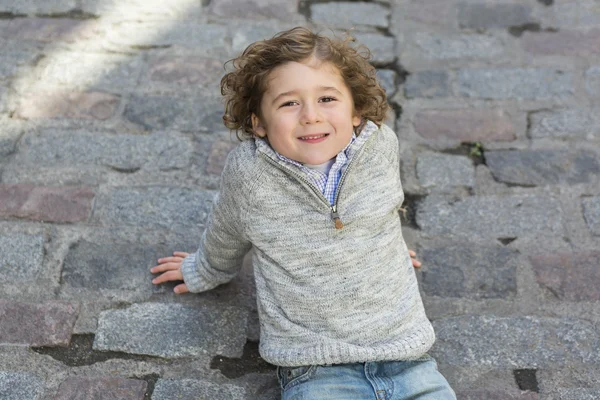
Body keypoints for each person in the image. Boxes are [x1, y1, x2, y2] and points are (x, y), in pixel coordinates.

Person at [150, 27, 456, 399]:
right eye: (288, 103)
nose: (310, 116)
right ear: (258, 122)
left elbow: (383, 207)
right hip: (315, 366)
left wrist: (385, 249)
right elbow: (227, 229)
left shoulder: (380, 147)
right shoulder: (250, 175)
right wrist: (205, 269)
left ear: (357, 110)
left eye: (327, 98)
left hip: (407, 356)